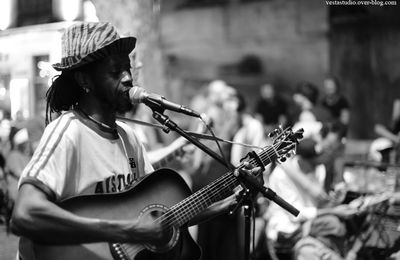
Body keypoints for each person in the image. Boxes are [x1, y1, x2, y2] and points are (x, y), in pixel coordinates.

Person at [10, 22, 262, 260]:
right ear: (85, 80)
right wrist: (126, 231)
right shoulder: (68, 132)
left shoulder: (128, 138)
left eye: (127, 67)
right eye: (114, 70)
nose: (128, 77)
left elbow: (163, 217)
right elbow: (24, 214)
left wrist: (228, 202)